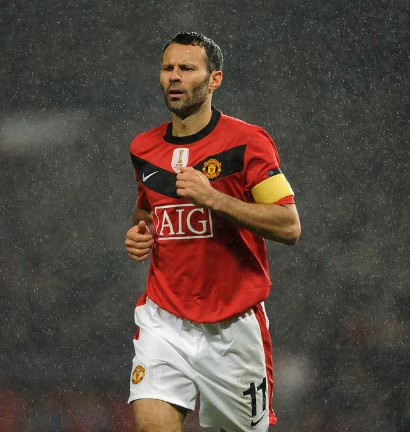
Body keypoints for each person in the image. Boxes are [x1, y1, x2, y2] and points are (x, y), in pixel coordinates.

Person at [124, 32, 301, 432]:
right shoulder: (143, 148)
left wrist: (215, 199)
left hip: (232, 329)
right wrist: (140, 233)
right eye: (168, 68)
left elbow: (289, 225)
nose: (174, 77)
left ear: (214, 79)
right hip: (164, 319)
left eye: (187, 68)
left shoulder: (247, 142)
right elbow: (146, 211)